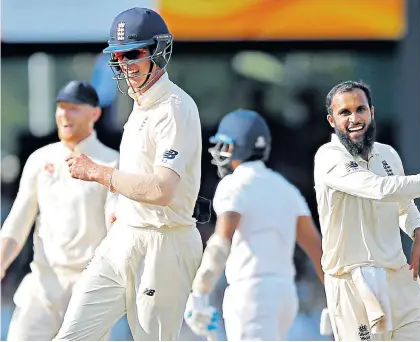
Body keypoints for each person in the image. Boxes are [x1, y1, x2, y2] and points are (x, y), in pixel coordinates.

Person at [54, 7, 203, 341]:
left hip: (166, 242)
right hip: (124, 238)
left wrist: (98, 172)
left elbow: (163, 190)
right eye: (119, 55)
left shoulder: (175, 107)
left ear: (158, 51)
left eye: (134, 53)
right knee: (71, 336)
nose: (126, 64)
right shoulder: (140, 105)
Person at [314, 80, 420, 341]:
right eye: (344, 112)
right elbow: (382, 188)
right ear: (332, 120)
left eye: (360, 109)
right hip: (353, 283)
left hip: (398, 277)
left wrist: (419, 231)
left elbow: (403, 203)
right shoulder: (329, 157)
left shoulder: (387, 154)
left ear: (372, 112)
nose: (354, 118)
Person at [184, 109, 325, 341]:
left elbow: (220, 243)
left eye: (223, 145)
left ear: (235, 147)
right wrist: (338, 299)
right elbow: (317, 251)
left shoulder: (234, 184)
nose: (220, 152)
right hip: (285, 296)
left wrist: (199, 292)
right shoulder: (287, 189)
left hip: (252, 295)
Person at [0, 80, 119, 340]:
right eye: (61, 107)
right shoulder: (40, 159)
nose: (64, 114)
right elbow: (19, 220)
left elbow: (117, 228)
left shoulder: (111, 162)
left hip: (89, 286)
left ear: (95, 114)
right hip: (43, 282)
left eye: (74, 108)